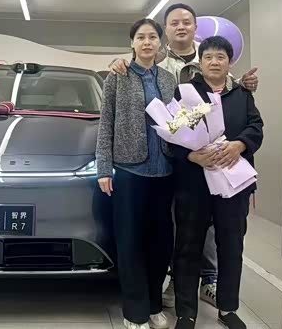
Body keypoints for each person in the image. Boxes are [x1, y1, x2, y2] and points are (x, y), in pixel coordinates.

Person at [109, 3, 259, 308]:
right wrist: (118, 62)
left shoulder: (211, 58)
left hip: (217, 163)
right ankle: (178, 284)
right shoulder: (160, 66)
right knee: (180, 227)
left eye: (186, 22)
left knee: (214, 229)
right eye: (174, 22)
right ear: (166, 30)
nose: (181, 27)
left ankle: (209, 280)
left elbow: (232, 96)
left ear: (195, 27)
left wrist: (245, 85)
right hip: (176, 160)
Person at [171, 36, 263, 329]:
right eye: (208, 57)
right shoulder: (186, 93)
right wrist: (191, 156)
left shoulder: (241, 94)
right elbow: (171, 133)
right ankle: (186, 312)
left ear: (229, 63)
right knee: (188, 246)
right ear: (200, 63)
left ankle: (228, 308)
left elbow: (256, 127)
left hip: (232, 185)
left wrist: (240, 144)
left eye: (220, 57)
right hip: (194, 184)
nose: (214, 62)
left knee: (231, 246)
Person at [96, 18, 178, 329]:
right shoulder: (117, 76)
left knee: (161, 243)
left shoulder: (168, 79)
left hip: (165, 170)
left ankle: (154, 303)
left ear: (160, 43)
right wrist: (104, 168)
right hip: (130, 170)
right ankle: (135, 312)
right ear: (132, 43)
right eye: (141, 37)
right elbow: (106, 124)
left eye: (152, 37)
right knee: (130, 243)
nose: (147, 42)